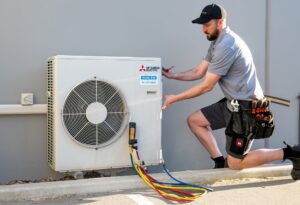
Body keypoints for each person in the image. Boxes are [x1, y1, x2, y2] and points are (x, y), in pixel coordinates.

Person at [161, 3, 300, 179]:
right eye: (202, 25)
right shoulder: (216, 42)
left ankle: (291, 153)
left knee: (236, 163)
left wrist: (174, 98)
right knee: (195, 120)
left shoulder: (227, 45)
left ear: (220, 22)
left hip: (246, 107)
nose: (203, 29)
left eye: (207, 24)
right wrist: (174, 75)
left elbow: (207, 85)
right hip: (231, 103)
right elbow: (198, 72)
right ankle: (219, 162)